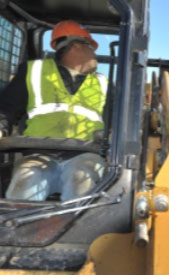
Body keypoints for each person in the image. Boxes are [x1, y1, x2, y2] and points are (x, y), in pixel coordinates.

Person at [0, 20, 107, 201]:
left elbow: (117, 126)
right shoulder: (33, 72)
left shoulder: (103, 83)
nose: (94, 54)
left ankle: (76, 228)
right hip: (38, 153)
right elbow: (7, 108)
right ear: (75, 46)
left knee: (81, 180)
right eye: (91, 47)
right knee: (25, 183)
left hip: (85, 155)